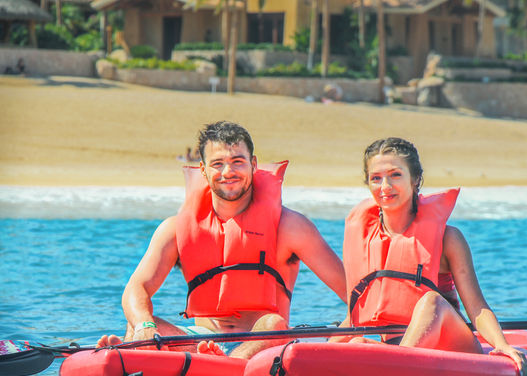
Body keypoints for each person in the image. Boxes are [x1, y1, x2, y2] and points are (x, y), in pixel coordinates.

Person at [97, 121, 346, 359]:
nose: (228, 172)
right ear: (203, 170)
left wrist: (342, 339)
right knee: (137, 325)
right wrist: (144, 326)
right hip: (200, 343)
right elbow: (136, 288)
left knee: (274, 321)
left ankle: (225, 366)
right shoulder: (174, 229)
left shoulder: (291, 227)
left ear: (254, 164)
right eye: (218, 164)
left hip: (263, 343)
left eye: (238, 161)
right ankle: (134, 361)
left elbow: (355, 294)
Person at [332, 137, 527, 376]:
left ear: (415, 180)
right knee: (355, 343)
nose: (385, 186)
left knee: (430, 301)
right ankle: (392, 366)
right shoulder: (366, 239)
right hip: (398, 349)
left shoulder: (448, 238)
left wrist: (503, 345)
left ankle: (395, 368)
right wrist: (321, 353)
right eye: (376, 178)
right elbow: (356, 315)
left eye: (395, 175)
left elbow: (477, 306)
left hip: (452, 348)